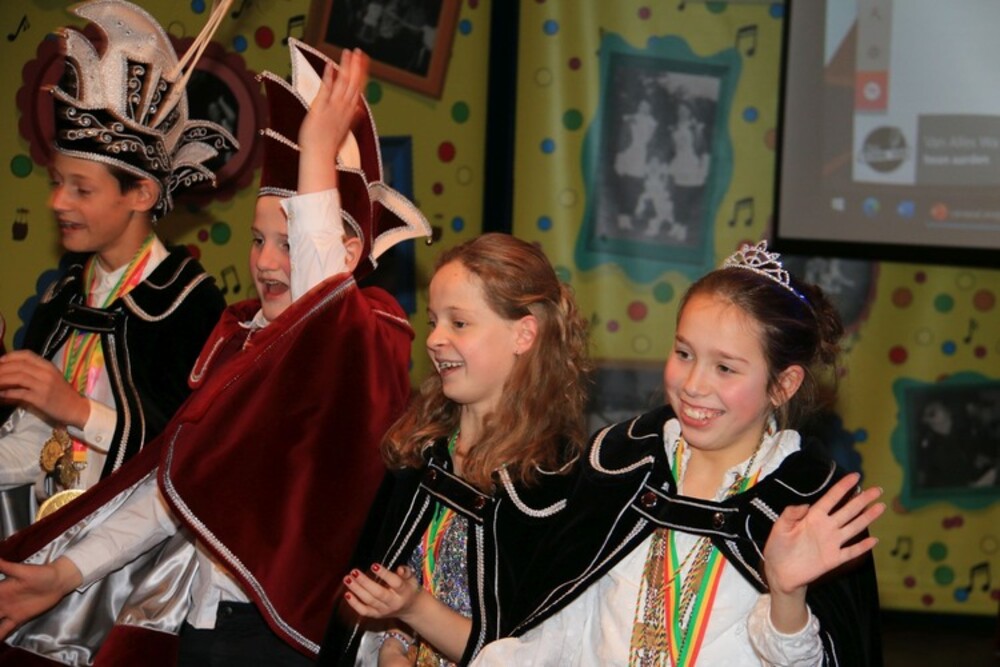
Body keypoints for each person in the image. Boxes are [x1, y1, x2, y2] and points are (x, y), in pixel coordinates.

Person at [0, 35, 430, 666]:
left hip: (281, 638)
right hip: (206, 625)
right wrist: (65, 573)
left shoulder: (367, 335)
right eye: (258, 240)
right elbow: (172, 487)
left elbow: (323, 309)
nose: (266, 262)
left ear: (344, 254)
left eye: (289, 242)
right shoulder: (242, 344)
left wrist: (316, 154)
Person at [333, 240, 884, 666]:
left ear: (783, 385)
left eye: (725, 368)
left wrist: (786, 595)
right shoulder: (621, 468)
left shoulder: (805, 505)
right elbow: (557, 639)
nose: (694, 385)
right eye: (684, 353)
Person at [0, 0, 235, 535]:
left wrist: (77, 410)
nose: (58, 202)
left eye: (81, 189)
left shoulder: (190, 304)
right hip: (49, 540)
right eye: (57, 183)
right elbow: (32, 449)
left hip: (138, 558)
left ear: (142, 194)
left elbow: (189, 459)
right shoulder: (66, 294)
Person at [321, 233, 592, 666]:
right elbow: (365, 601)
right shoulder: (418, 452)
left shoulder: (553, 484)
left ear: (523, 334)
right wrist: (392, 646)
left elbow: (533, 652)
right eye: (434, 321)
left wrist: (414, 609)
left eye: (459, 323)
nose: (434, 338)